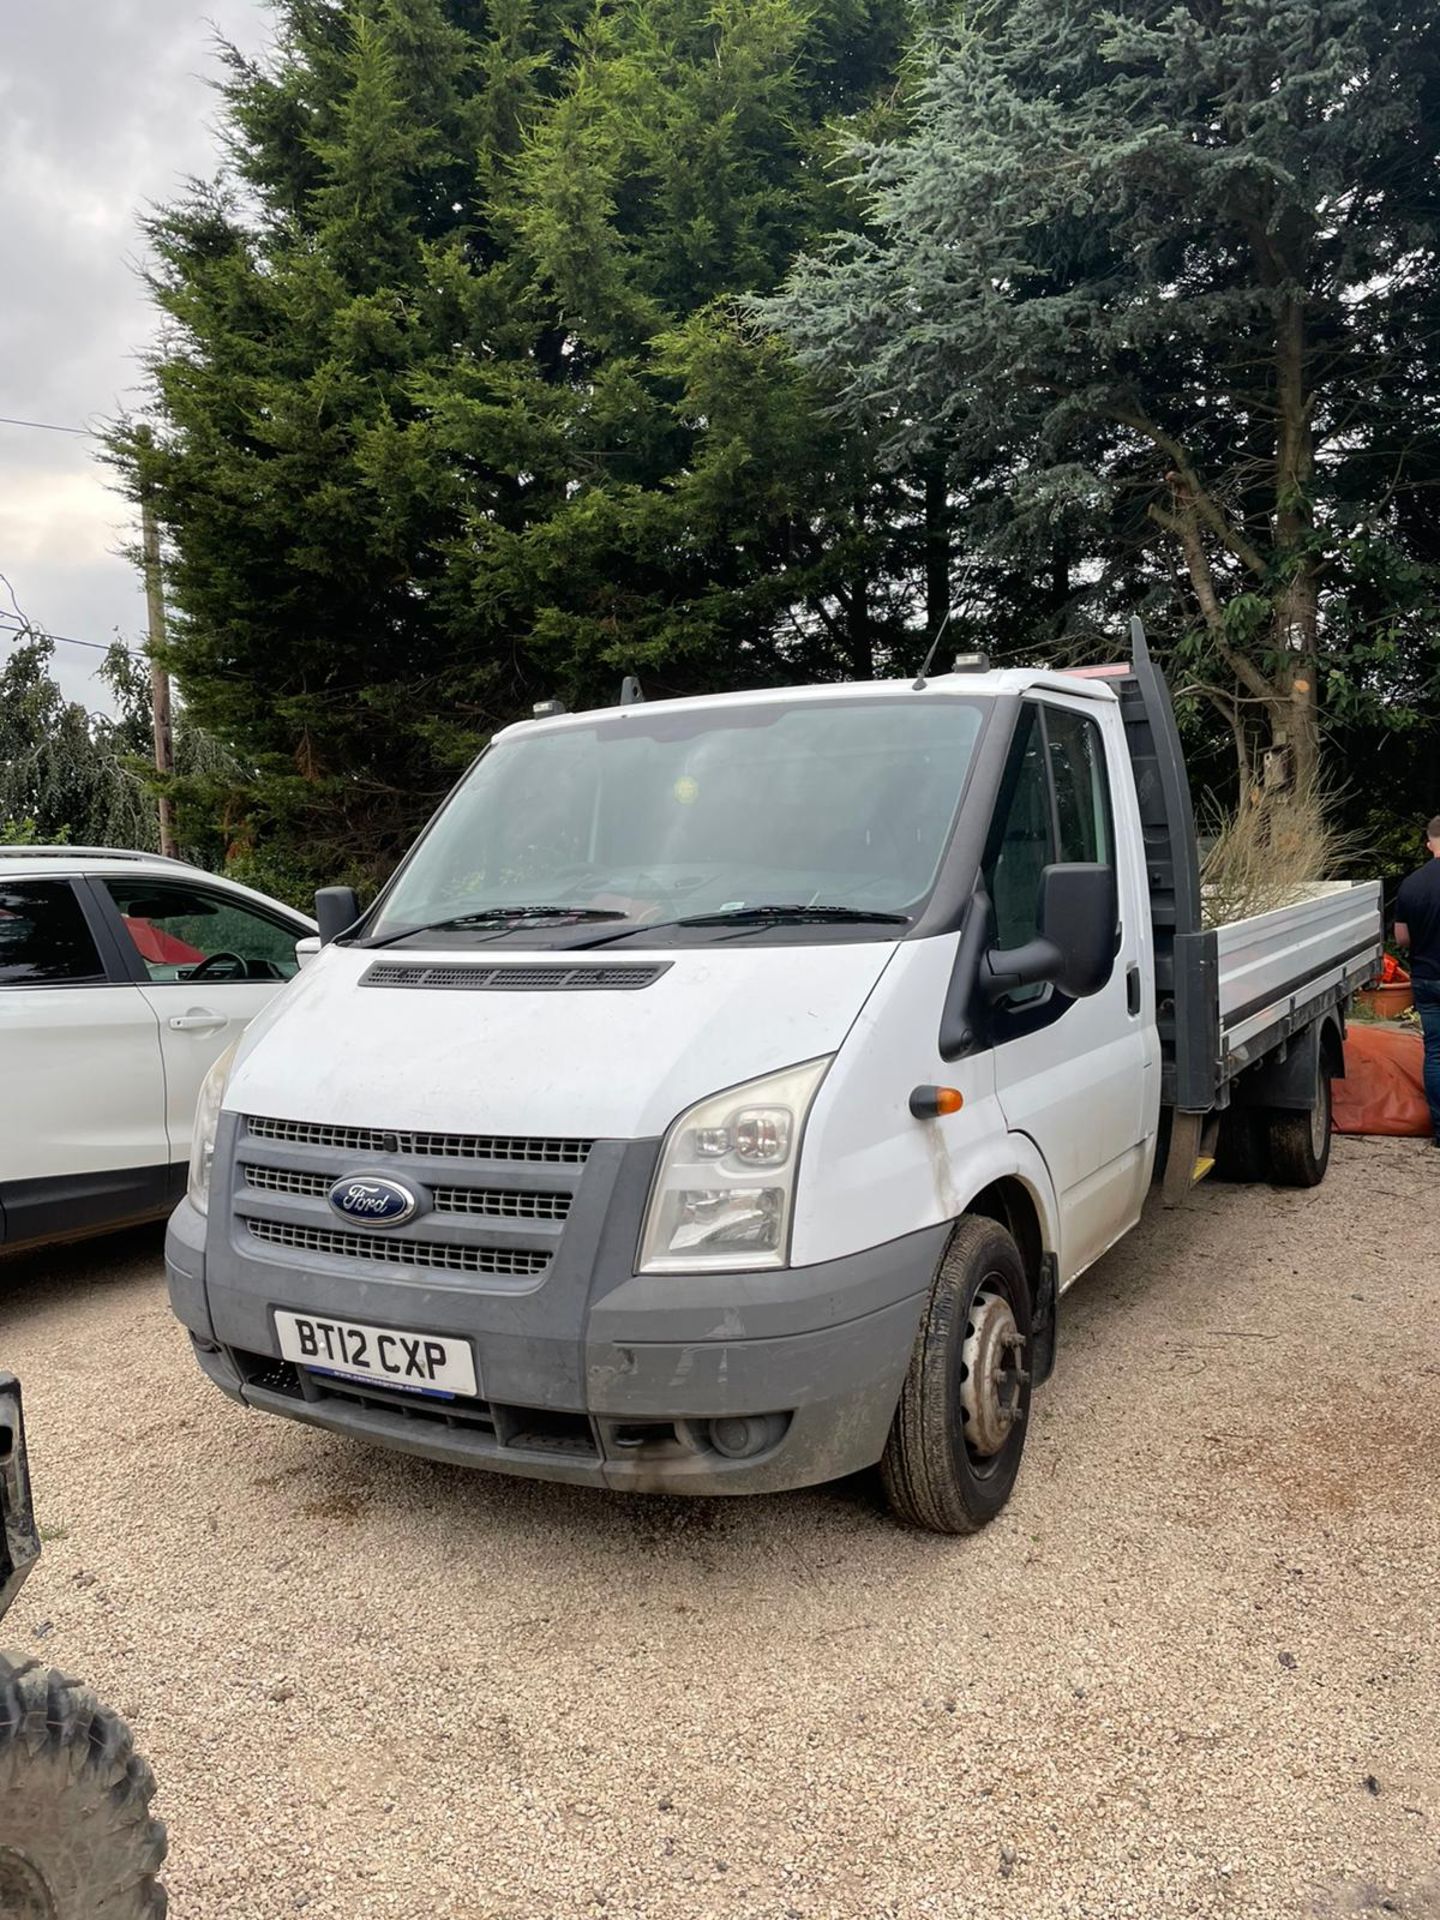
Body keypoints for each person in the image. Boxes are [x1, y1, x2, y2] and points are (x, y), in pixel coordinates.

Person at [1394, 814, 1440, 1146]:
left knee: (1436, 1053)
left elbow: (1402, 939)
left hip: (1426, 979)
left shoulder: (1411, 884)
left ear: (1429, 843)